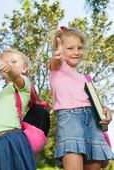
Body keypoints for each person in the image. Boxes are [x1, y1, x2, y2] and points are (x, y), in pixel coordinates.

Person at [49, 27, 114, 170]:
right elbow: (55, 62)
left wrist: (107, 111)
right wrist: (57, 58)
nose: (76, 52)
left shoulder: (87, 80)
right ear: (59, 49)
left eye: (80, 48)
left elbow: (99, 104)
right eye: (70, 48)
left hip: (94, 124)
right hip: (70, 120)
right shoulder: (57, 69)